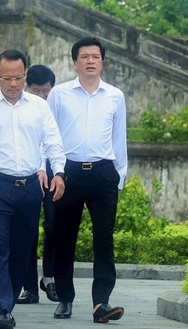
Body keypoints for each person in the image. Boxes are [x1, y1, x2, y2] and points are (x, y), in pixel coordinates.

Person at [0, 50, 66, 329]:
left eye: (19, 77)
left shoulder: (38, 107)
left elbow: (53, 142)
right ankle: (5, 307)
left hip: (30, 186)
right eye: (7, 78)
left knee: (23, 249)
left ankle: (4, 295)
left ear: (25, 75)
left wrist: (59, 173)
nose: (13, 83)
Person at [46, 38, 128, 323]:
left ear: (102, 61)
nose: (90, 61)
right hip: (69, 172)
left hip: (104, 173)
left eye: (95, 56)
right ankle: (65, 299)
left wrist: (120, 180)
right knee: (64, 237)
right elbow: (50, 137)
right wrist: (55, 172)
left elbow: (120, 140)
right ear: (75, 62)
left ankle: (101, 302)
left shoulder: (115, 95)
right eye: (85, 56)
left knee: (104, 239)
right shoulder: (59, 94)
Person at [20, 64, 57, 304]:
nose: (42, 96)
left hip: (54, 172)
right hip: (28, 171)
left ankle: (50, 277)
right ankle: (29, 287)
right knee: (28, 230)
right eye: (37, 91)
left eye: (46, 91)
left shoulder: (57, 106)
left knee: (55, 224)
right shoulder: (20, 108)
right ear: (27, 87)